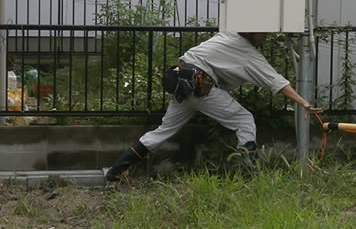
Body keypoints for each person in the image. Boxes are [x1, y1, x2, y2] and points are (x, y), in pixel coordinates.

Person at [105, 31, 323, 181]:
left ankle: (116, 171)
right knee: (244, 121)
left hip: (182, 81)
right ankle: (251, 174)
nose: (265, 37)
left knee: (163, 131)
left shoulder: (227, 35)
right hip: (201, 86)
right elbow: (277, 81)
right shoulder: (247, 52)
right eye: (262, 33)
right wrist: (303, 102)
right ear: (250, 33)